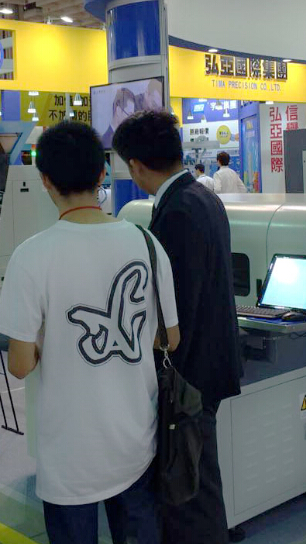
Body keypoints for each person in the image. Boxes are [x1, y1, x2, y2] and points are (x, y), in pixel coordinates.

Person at [0, 122, 180, 544]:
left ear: (45, 180)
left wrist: (50, 340)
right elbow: (170, 339)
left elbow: (19, 366)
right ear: (102, 174)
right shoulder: (146, 243)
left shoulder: (30, 257)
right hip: (137, 441)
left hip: (68, 455)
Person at [113, 111, 242, 544]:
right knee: (196, 482)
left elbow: (176, 306)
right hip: (209, 364)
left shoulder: (178, 211)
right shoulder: (201, 197)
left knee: (190, 493)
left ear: (135, 165)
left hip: (190, 377)